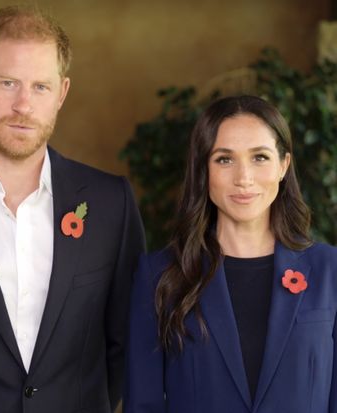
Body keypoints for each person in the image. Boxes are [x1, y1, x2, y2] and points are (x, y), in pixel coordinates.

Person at [0, 5, 145, 413]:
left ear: (61, 92)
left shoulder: (111, 203)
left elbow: (127, 343)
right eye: (8, 83)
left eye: (40, 87)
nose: (24, 105)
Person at [124, 95, 337, 413]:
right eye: (224, 159)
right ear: (203, 169)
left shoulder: (329, 270)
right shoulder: (159, 275)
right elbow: (143, 404)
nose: (244, 178)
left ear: (283, 166)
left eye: (260, 157)